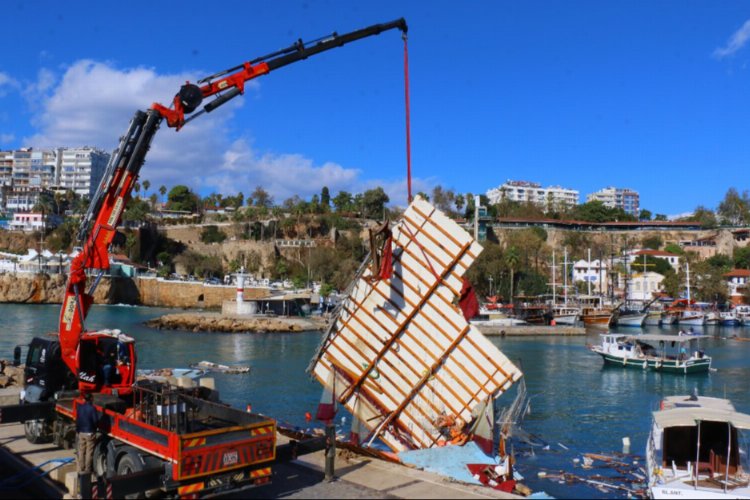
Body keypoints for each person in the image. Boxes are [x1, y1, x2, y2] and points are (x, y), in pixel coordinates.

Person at [76, 392, 99, 493]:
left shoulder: (80, 407)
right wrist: (95, 429)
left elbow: (78, 420)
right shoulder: (92, 408)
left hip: (81, 432)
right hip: (90, 432)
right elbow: (95, 421)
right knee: (89, 451)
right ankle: (87, 470)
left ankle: (81, 468)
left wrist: (78, 430)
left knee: (82, 450)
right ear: (91, 399)